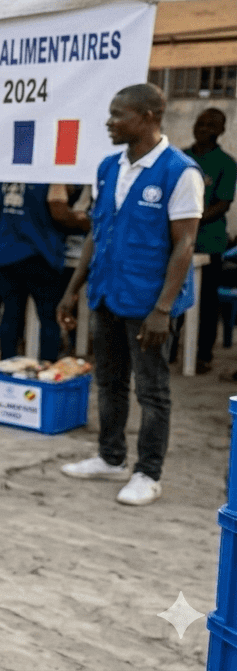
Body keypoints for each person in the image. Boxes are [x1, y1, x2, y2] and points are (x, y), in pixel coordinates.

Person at [58, 83, 202, 507]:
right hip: (106, 293)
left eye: (118, 114)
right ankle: (110, 457)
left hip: (149, 302)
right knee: (110, 381)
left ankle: (148, 473)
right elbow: (96, 235)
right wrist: (73, 291)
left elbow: (185, 245)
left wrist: (163, 309)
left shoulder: (181, 172)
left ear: (150, 115)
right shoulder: (108, 167)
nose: (109, 122)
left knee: (152, 390)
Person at [0, 183, 89, 361]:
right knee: (49, 318)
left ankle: (6, 367)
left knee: (11, 315)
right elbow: (59, 212)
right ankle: (47, 368)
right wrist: (84, 223)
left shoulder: (7, 172)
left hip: (8, 251)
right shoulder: (51, 173)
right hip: (40, 253)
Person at [184, 108, 235, 374]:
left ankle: (202, 355)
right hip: (177, 242)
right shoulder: (180, 157)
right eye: (200, 123)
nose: (203, 128)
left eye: (210, 125)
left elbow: (223, 203)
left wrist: (189, 219)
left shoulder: (226, 164)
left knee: (205, 303)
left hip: (209, 243)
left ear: (221, 130)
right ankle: (170, 350)